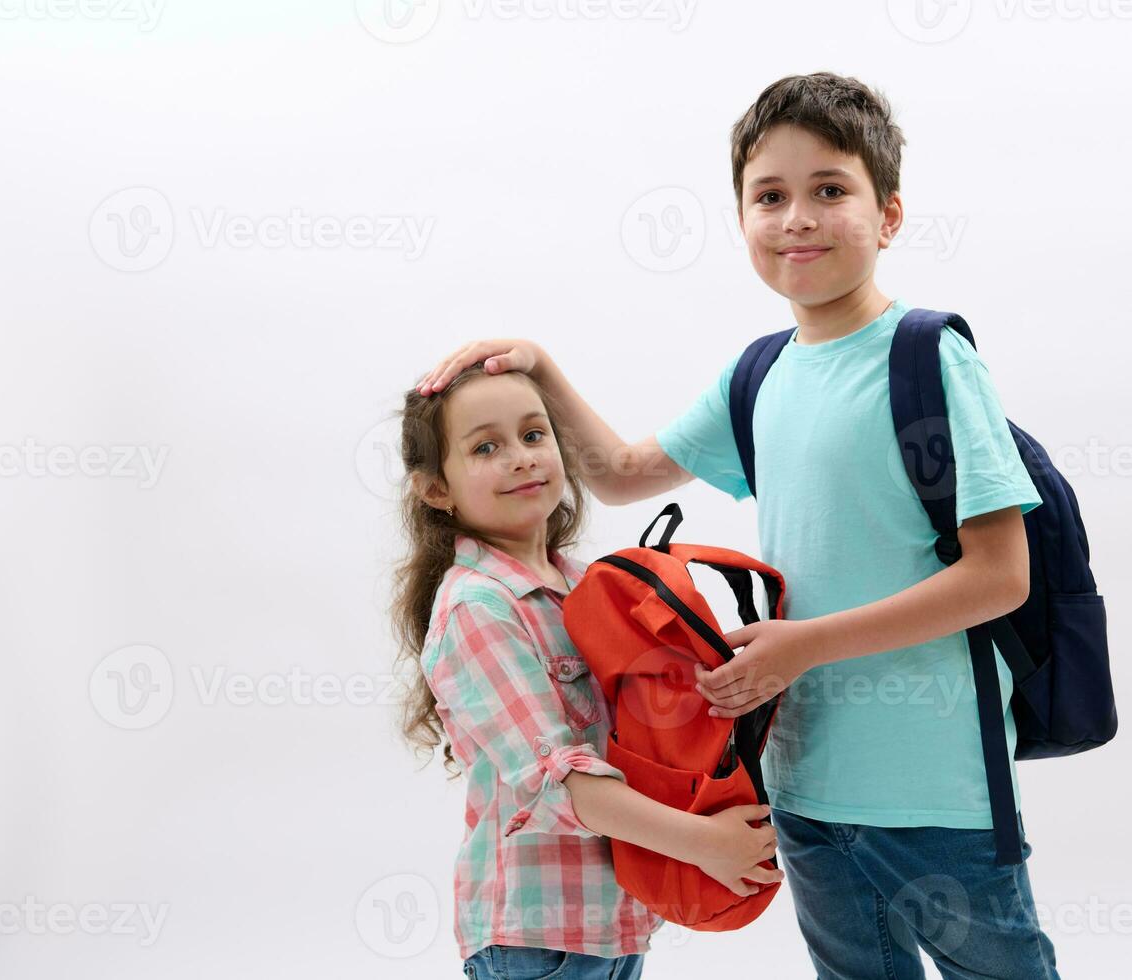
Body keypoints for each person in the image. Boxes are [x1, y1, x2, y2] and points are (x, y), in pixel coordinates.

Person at [418, 71, 1061, 980]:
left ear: (888, 216)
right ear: (743, 221)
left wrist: (799, 647)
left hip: (936, 788)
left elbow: (1000, 577)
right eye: (770, 197)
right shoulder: (760, 373)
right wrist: (543, 368)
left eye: (828, 190)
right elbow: (624, 472)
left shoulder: (928, 357)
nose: (796, 217)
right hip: (798, 784)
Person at [390, 363, 781, 979]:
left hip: (614, 921)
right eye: (486, 447)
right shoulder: (478, 606)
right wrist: (705, 844)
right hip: (538, 936)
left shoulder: (587, 585)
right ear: (437, 488)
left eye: (534, 434)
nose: (521, 457)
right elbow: (558, 781)